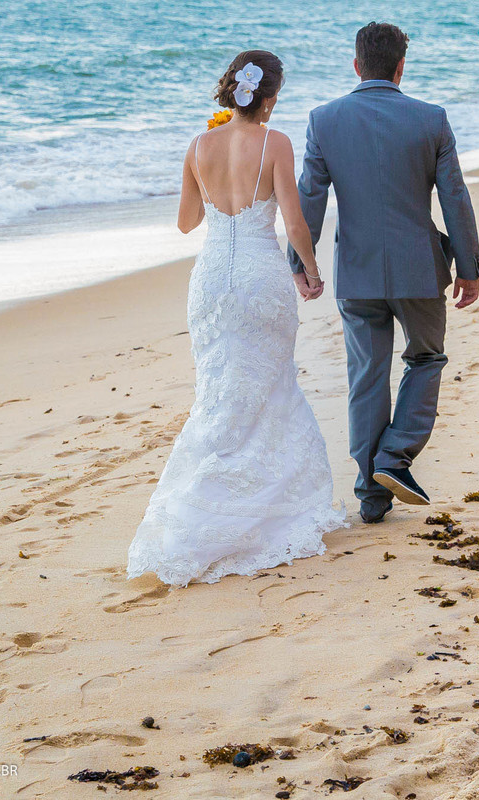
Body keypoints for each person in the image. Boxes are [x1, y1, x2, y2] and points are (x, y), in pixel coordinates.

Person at [126, 50, 346, 588]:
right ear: (268, 98)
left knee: (219, 393)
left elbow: (186, 223)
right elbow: (293, 221)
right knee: (268, 389)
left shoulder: (199, 145)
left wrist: (208, 182)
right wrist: (311, 271)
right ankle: (263, 512)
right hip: (259, 278)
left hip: (210, 284)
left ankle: (196, 516)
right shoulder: (276, 144)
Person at [287, 22, 479, 523]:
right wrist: (468, 266)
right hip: (421, 270)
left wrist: (302, 266)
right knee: (427, 358)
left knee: (367, 377)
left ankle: (371, 496)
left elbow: (309, 198)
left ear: (357, 65)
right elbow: (454, 197)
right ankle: (393, 458)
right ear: (401, 67)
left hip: (356, 273)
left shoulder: (323, 120)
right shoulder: (431, 119)